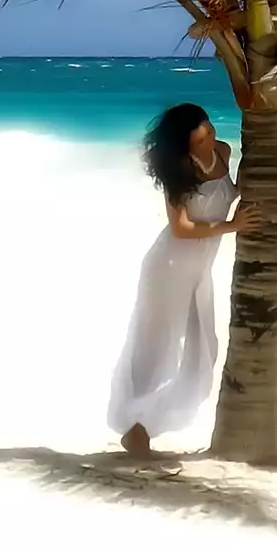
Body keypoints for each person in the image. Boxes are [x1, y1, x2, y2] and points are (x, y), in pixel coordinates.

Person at [107, 103, 257, 457]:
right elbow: (182, 228)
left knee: (203, 350)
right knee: (157, 349)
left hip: (199, 270)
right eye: (200, 137)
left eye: (209, 130)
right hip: (169, 266)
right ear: (184, 144)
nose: (209, 139)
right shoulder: (178, 170)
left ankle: (144, 424)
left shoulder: (223, 152)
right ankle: (135, 427)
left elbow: (229, 191)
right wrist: (232, 227)